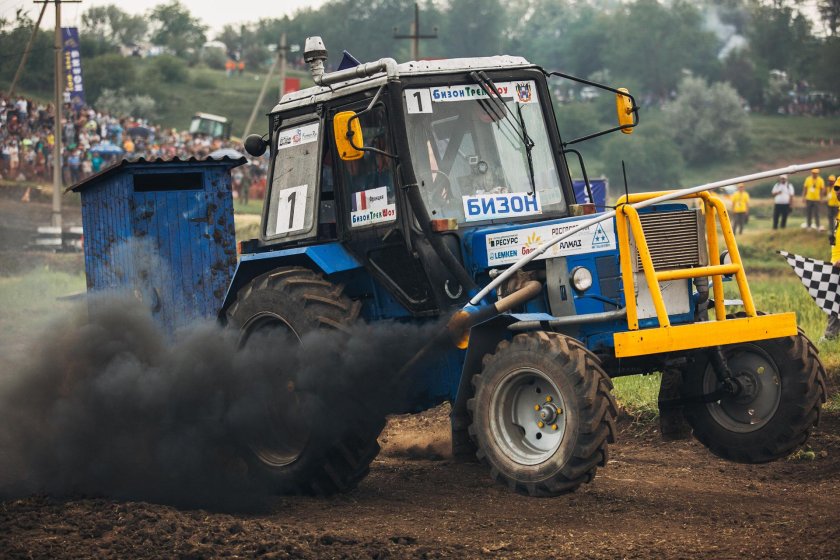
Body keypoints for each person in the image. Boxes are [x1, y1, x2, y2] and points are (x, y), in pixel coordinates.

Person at [824, 177, 840, 340]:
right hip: (835, 263)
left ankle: (830, 336)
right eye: (836, 188)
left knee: (834, 299)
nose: (838, 191)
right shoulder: (839, 211)